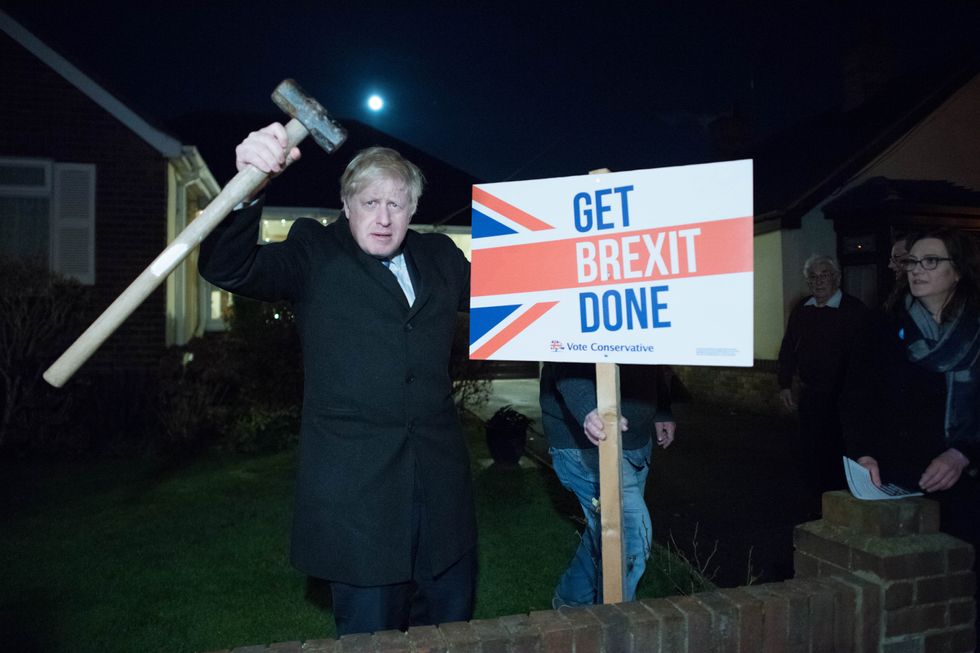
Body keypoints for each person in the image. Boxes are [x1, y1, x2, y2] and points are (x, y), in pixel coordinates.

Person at [198, 124, 476, 636]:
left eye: (397, 203)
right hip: (360, 505)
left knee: (452, 635)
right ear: (347, 206)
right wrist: (247, 188)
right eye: (370, 203)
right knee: (372, 640)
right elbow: (228, 268)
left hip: (443, 502)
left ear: (413, 210)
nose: (384, 217)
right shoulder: (314, 254)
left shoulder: (442, 259)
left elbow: (518, 302)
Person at [842, 227, 980, 635]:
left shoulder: (976, 329)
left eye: (931, 261)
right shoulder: (883, 326)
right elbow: (856, 396)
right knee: (917, 591)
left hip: (968, 477)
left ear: (958, 270)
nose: (917, 270)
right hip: (903, 475)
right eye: (912, 261)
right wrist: (863, 452)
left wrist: (962, 452)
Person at [539, 362, 676, 606]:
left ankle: (570, 601)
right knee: (629, 537)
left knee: (605, 534)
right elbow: (565, 355)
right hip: (585, 442)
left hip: (635, 442)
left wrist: (661, 408)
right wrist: (588, 408)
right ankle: (616, 630)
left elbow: (651, 350)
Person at [777, 255, 867, 507]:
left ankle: (843, 504)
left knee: (839, 453)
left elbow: (864, 357)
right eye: (813, 277)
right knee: (811, 452)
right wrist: (784, 383)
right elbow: (788, 349)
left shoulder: (854, 310)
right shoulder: (802, 311)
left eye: (824, 275)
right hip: (811, 395)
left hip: (843, 397)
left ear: (836, 278)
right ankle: (818, 505)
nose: (819, 281)